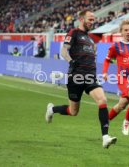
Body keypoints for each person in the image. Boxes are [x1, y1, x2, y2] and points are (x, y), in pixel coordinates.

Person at [45, 9, 117, 148]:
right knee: (73, 112)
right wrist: (71, 61)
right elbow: (64, 50)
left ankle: (105, 137)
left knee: (102, 100)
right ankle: (52, 109)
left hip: (90, 77)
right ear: (81, 19)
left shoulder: (91, 40)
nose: (92, 21)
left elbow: (92, 58)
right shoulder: (74, 33)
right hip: (75, 77)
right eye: (90, 19)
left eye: (93, 19)